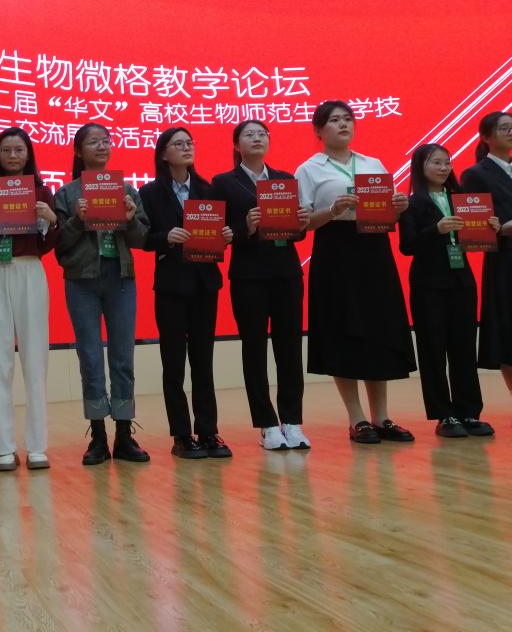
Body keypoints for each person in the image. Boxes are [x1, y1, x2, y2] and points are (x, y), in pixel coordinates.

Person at [296, 100, 416, 444]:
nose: (343, 125)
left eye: (347, 119)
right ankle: (357, 418)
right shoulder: (308, 169)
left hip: (374, 250)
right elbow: (302, 224)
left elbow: (386, 214)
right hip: (336, 251)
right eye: (334, 120)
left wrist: (399, 208)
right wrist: (332, 210)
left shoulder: (371, 163)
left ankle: (382, 417)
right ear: (319, 131)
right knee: (343, 330)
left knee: (378, 329)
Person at [54, 122, 151, 465]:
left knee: (123, 357)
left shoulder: (127, 190)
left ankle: (124, 434)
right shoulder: (67, 194)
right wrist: (77, 220)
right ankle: (97, 435)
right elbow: (58, 246)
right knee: (91, 358)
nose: (101, 146)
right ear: (78, 151)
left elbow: (142, 239)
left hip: (120, 279)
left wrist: (130, 219)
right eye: (93, 142)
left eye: (105, 141)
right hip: (81, 281)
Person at [213, 121, 312, 451]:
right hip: (249, 276)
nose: (256, 138)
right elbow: (219, 232)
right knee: (254, 348)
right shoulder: (224, 182)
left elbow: (297, 232)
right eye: (249, 134)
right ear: (236, 145)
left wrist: (300, 223)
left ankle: (292, 421)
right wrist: (247, 226)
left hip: (286, 273)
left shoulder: (284, 179)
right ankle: (267, 424)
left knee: (290, 348)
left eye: (262, 134)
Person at [141, 127, 234, 460]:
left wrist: (226, 234)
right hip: (171, 284)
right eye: (178, 144)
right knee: (174, 363)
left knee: (203, 361)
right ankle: (181, 435)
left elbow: (218, 232)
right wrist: (166, 236)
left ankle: (208, 431)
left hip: (205, 283)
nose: (186, 148)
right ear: (163, 154)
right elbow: (142, 238)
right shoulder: (150, 192)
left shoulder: (208, 189)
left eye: (189, 143)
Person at [0, 128, 58, 472]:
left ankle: (37, 446)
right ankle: (4, 448)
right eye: (6, 150)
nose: (12, 155)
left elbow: (49, 244)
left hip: (30, 270)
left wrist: (52, 220)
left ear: (28, 155)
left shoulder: (43, 193)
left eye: (18, 150)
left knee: (35, 357)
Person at [399, 144, 495, 437]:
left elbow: (474, 239)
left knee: (464, 347)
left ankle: (469, 412)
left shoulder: (462, 200)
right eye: (436, 163)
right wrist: (436, 230)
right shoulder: (412, 203)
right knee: (433, 349)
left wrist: (488, 227)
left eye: (447, 162)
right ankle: (444, 415)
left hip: (462, 281)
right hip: (429, 283)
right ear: (421, 167)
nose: (443, 168)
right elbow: (407, 246)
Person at [460, 111, 512, 403]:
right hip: (505, 261)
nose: (510, 132)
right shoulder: (476, 174)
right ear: (486, 137)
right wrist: (502, 229)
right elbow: (474, 229)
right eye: (504, 128)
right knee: (508, 333)